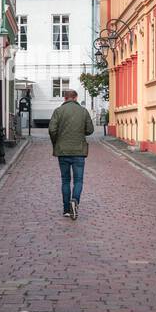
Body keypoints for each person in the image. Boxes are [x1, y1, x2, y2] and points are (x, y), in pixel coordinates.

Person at [48, 89, 94, 220]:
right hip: (79, 151)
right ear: (75, 98)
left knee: (65, 180)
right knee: (78, 180)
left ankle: (66, 210)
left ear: (65, 98)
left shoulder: (58, 111)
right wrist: (80, 132)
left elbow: (52, 129)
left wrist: (56, 142)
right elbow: (90, 130)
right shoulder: (83, 111)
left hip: (63, 151)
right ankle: (75, 200)